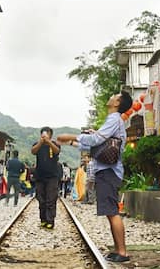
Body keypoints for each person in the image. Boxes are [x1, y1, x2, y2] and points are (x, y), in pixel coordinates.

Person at [57, 90, 133, 264]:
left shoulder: (114, 119)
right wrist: (73, 142)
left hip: (108, 172)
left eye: (115, 96)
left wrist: (72, 136)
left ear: (117, 103)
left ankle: (122, 252)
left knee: (112, 212)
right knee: (110, 212)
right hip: (107, 171)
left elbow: (97, 140)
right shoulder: (114, 120)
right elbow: (97, 145)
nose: (111, 96)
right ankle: (118, 250)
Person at [31, 127, 61, 229]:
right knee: (41, 199)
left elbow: (57, 151)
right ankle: (43, 219)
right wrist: (41, 142)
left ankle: (50, 221)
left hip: (52, 177)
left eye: (47, 134)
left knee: (51, 199)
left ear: (51, 135)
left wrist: (49, 142)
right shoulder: (37, 144)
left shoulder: (55, 144)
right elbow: (33, 151)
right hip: (39, 177)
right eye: (43, 134)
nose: (45, 136)